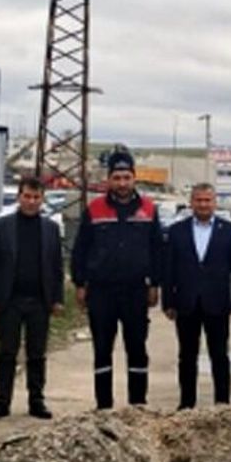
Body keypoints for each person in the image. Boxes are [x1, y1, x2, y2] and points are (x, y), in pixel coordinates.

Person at [71, 149, 162, 409]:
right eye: (117, 178)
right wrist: (80, 284)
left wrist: (155, 284)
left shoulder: (149, 209)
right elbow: (80, 249)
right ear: (109, 179)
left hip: (136, 291)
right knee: (102, 349)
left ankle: (138, 405)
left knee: (137, 349)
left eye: (126, 177)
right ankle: (104, 407)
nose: (122, 183)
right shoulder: (95, 209)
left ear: (134, 178)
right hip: (102, 292)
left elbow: (158, 250)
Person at [0, 177, 65, 420]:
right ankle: (2, 401)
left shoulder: (50, 229)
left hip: (39, 300)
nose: (31, 201)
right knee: (7, 352)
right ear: (19, 197)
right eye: (27, 196)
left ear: (42, 199)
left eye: (36, 197)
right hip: (9, 301)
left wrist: (57, 298)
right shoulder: (1, 227)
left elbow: (56, 267)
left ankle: (36, 401)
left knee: (37, 354)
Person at [162, 184, 231, 409]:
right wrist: (168, 302)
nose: (203, 204)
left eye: (207, 200)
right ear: (191, 202)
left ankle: (222, 404)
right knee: (187, 356)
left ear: (214, 203)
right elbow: (168, 269)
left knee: (219, 355)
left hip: (217, 303)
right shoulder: (176, 231)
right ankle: (186, 404)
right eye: (198, 200)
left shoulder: (229, 231)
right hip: (186, 303)